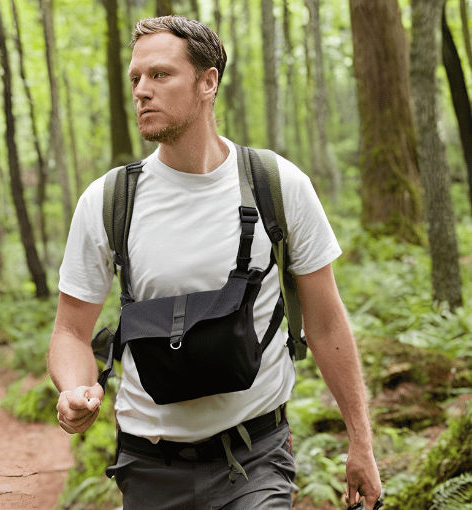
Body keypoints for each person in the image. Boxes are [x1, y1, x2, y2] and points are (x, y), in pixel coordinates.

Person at [48, 15, 381, 510]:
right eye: (135, 78)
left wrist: (361, 441)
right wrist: (75, 389)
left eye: (160, 75)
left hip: (256, 458)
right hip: (147, 466)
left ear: (208, 82)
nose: (141, 91)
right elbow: (71, 333)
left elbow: (327, 320)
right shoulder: (109, 200)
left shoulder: (278, 184)